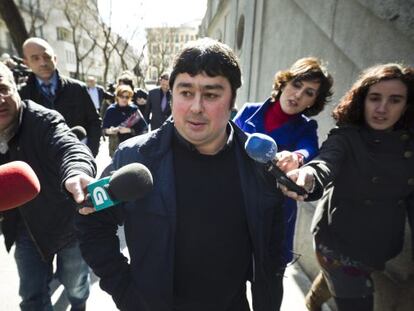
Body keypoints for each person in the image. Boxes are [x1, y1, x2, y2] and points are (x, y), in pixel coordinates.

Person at [76, 38, 285, 311]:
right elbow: (91, 224)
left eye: (211, 95)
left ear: (233, 99)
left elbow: (272, 244)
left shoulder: (258, 161)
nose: (196, 107)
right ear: (171, 94)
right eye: (186, 92)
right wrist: (125, 291)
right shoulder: (135, 157)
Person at [281, 63, 414, 311]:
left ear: (406, 105)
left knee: (335, 279)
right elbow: (324, 163)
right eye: (375, 98)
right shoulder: (346, 136)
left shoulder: (408, 143)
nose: (382, 109)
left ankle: (313, 300)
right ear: (362, 100)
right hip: (337, 242)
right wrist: (308, 175)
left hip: (381, 245)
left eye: (394, 100)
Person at [234, 57, 333, 309]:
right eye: (296, 84)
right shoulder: (248, 111)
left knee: (267, 294)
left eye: (308, 92)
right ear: (284, 81)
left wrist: (297, 158)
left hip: (274, 223)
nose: (298, 95)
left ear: (314, 101)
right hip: (235, 215)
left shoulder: (306, 128)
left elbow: (309, 149)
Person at [0, 62, 97, 311]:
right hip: (22, 228)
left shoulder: (43, 119)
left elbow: (70, 147)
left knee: (75, 285)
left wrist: (77, 171)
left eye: (2, 88)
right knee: (32, 297)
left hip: (64, 222)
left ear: (15, 88)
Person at [19, 37, 102, 157]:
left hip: (78, 159)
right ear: (26, 62)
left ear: (55, 59)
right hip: (42, 166)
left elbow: (94, 122)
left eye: (46, 57)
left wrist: (90, 153)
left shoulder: (77, 88)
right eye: (35, 58)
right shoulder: (21, 95)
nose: (43, 63)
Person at [102, 84, 148, 157]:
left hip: (132, 147)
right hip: (115, 148)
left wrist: (129, 130)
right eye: (122, 96)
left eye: (127, 97)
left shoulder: (134, 109)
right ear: (117, 97)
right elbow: (104, 129)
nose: (124, 99)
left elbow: (144, 129)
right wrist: (111, 131)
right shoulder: (111, 110)